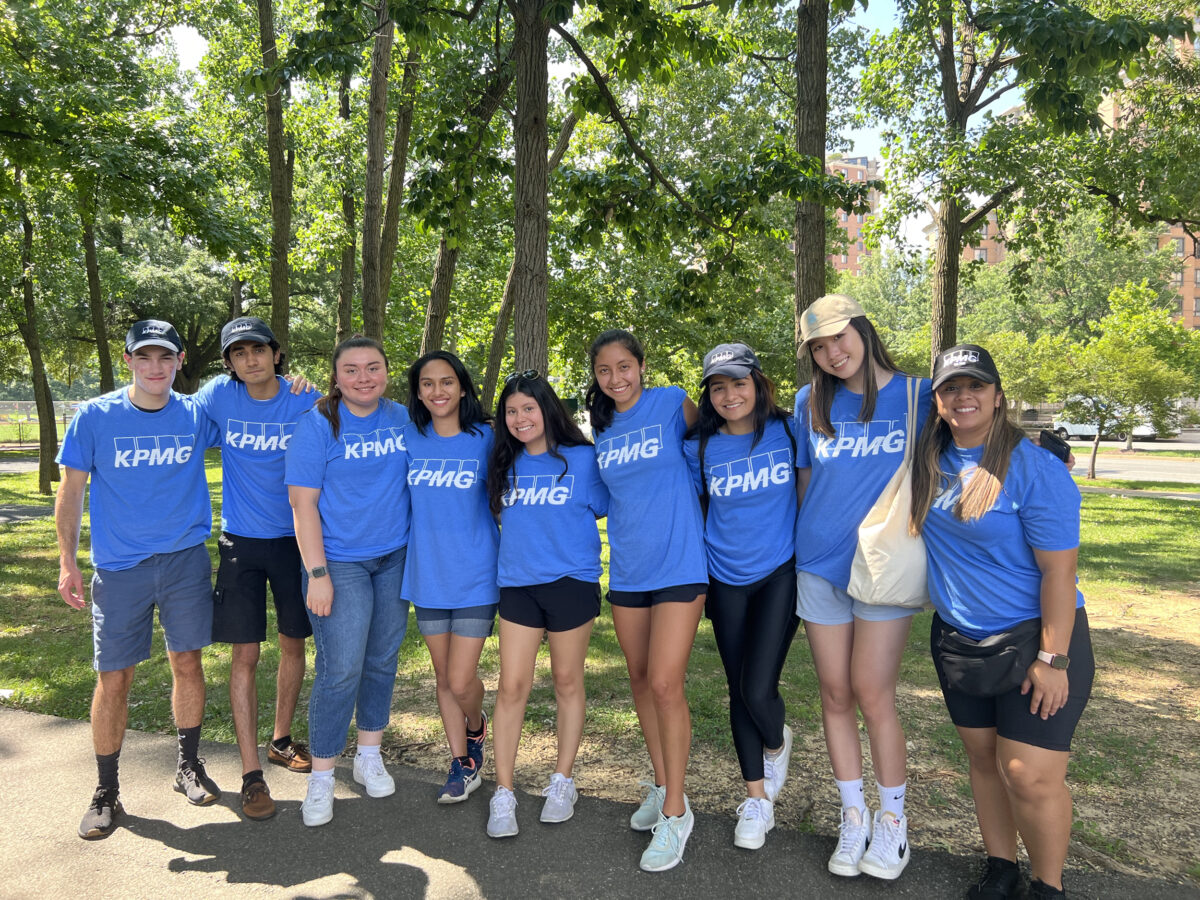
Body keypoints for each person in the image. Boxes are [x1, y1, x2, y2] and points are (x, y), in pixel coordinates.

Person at [910, 344, 1093, 900]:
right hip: (959, 639)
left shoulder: (1033, 469)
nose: (963, 396)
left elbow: (1059, 574)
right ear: (937, 399)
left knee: (1028, 774)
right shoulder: (927, 460)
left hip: (1034, 639)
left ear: (996, 395)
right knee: (985, 761)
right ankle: (1000, 867)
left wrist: (1052, 658)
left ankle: (1048, 887)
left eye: (975, 385)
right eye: (951, 388)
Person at [56, 319, 222, 840]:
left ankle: (188, 765)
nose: (156, 368)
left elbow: (256, 406)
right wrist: (67, 561)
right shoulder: (94, 417)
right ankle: (107, 790)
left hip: (184, 561)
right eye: (145, 357)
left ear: (178, 363)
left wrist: (297, 386)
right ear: (128, 360)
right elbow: (70, 492)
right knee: (114, 679)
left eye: (166, 358)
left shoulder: (196, 415)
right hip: (120, 567)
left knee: (187, 661)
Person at [793, 294, 930, 880]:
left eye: (839, 337)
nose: (832, 353)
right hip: (819, 564)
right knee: (834, 694)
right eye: (818, 347)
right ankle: (853, 817)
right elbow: (805, 484)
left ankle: (892, 823)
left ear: (863, 330)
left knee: (873, 692)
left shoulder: (920, 396)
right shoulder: (808, 403)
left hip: (883, 566)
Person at [585, 329, 708, 872]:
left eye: (624, 366)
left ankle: (677, 813)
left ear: (641, 365)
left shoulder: (670, 401)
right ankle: (661, 784)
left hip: (680, 563)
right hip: (630, 569)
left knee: (664, 683)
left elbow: (718, 445)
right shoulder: (603, 425)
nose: (616, 378)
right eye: (604, 370)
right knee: (638, 680)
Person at [192, 316, 318, 821]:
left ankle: (280, 739)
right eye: (239, 354)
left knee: (293, 643)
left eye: (258, 350)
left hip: (296, 541)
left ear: (276, 353)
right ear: (228, 364)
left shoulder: (304, 398)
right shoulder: (218, 397)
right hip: (241, 542)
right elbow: (168, 410)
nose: (250, 360)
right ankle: (251, 776)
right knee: (244, 654)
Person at [285, 335, 411, 827]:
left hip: (395, 558)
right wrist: (317, 573)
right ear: (336, 377)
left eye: (373, 367)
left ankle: (368, 754)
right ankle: (321, 776)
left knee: (381, 659)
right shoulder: (317, 426)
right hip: (338, 562)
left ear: (385, 371)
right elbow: (303, 505)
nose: (364, 377)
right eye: (352, 370)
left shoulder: (402, 417)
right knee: (340, 668)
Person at [683, 343, 801, 851]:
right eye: (718, 386)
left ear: (758, 384)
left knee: (758, 690)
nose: (730, 394)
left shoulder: (789, 432)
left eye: (739, 382)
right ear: (709, 395)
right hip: (724, 579)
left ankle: (777, 740)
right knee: (737, 689)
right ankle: (756, 800)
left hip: (780, 573)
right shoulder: (700, 449)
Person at [482, 371, 608, 838]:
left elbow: (611, 505)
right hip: (517, 586)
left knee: (566, 680)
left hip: (572, 583)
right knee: (511, 686)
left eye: (528, 408)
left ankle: (563, 781)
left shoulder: (583, 460)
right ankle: (504, 792)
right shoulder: (502, 462)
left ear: (547, 410)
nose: (519, 418)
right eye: (511, 411)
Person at [402, 350, 498, 804]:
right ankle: (462, 764)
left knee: (461, 681)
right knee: (443, 678)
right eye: (427, 384)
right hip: (427, 575)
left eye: (446, 382)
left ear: (462, 387)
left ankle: (476, 726)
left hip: (478, 573)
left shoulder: (487, 438)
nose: (437, 391)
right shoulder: (408, 437)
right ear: (418, 392)